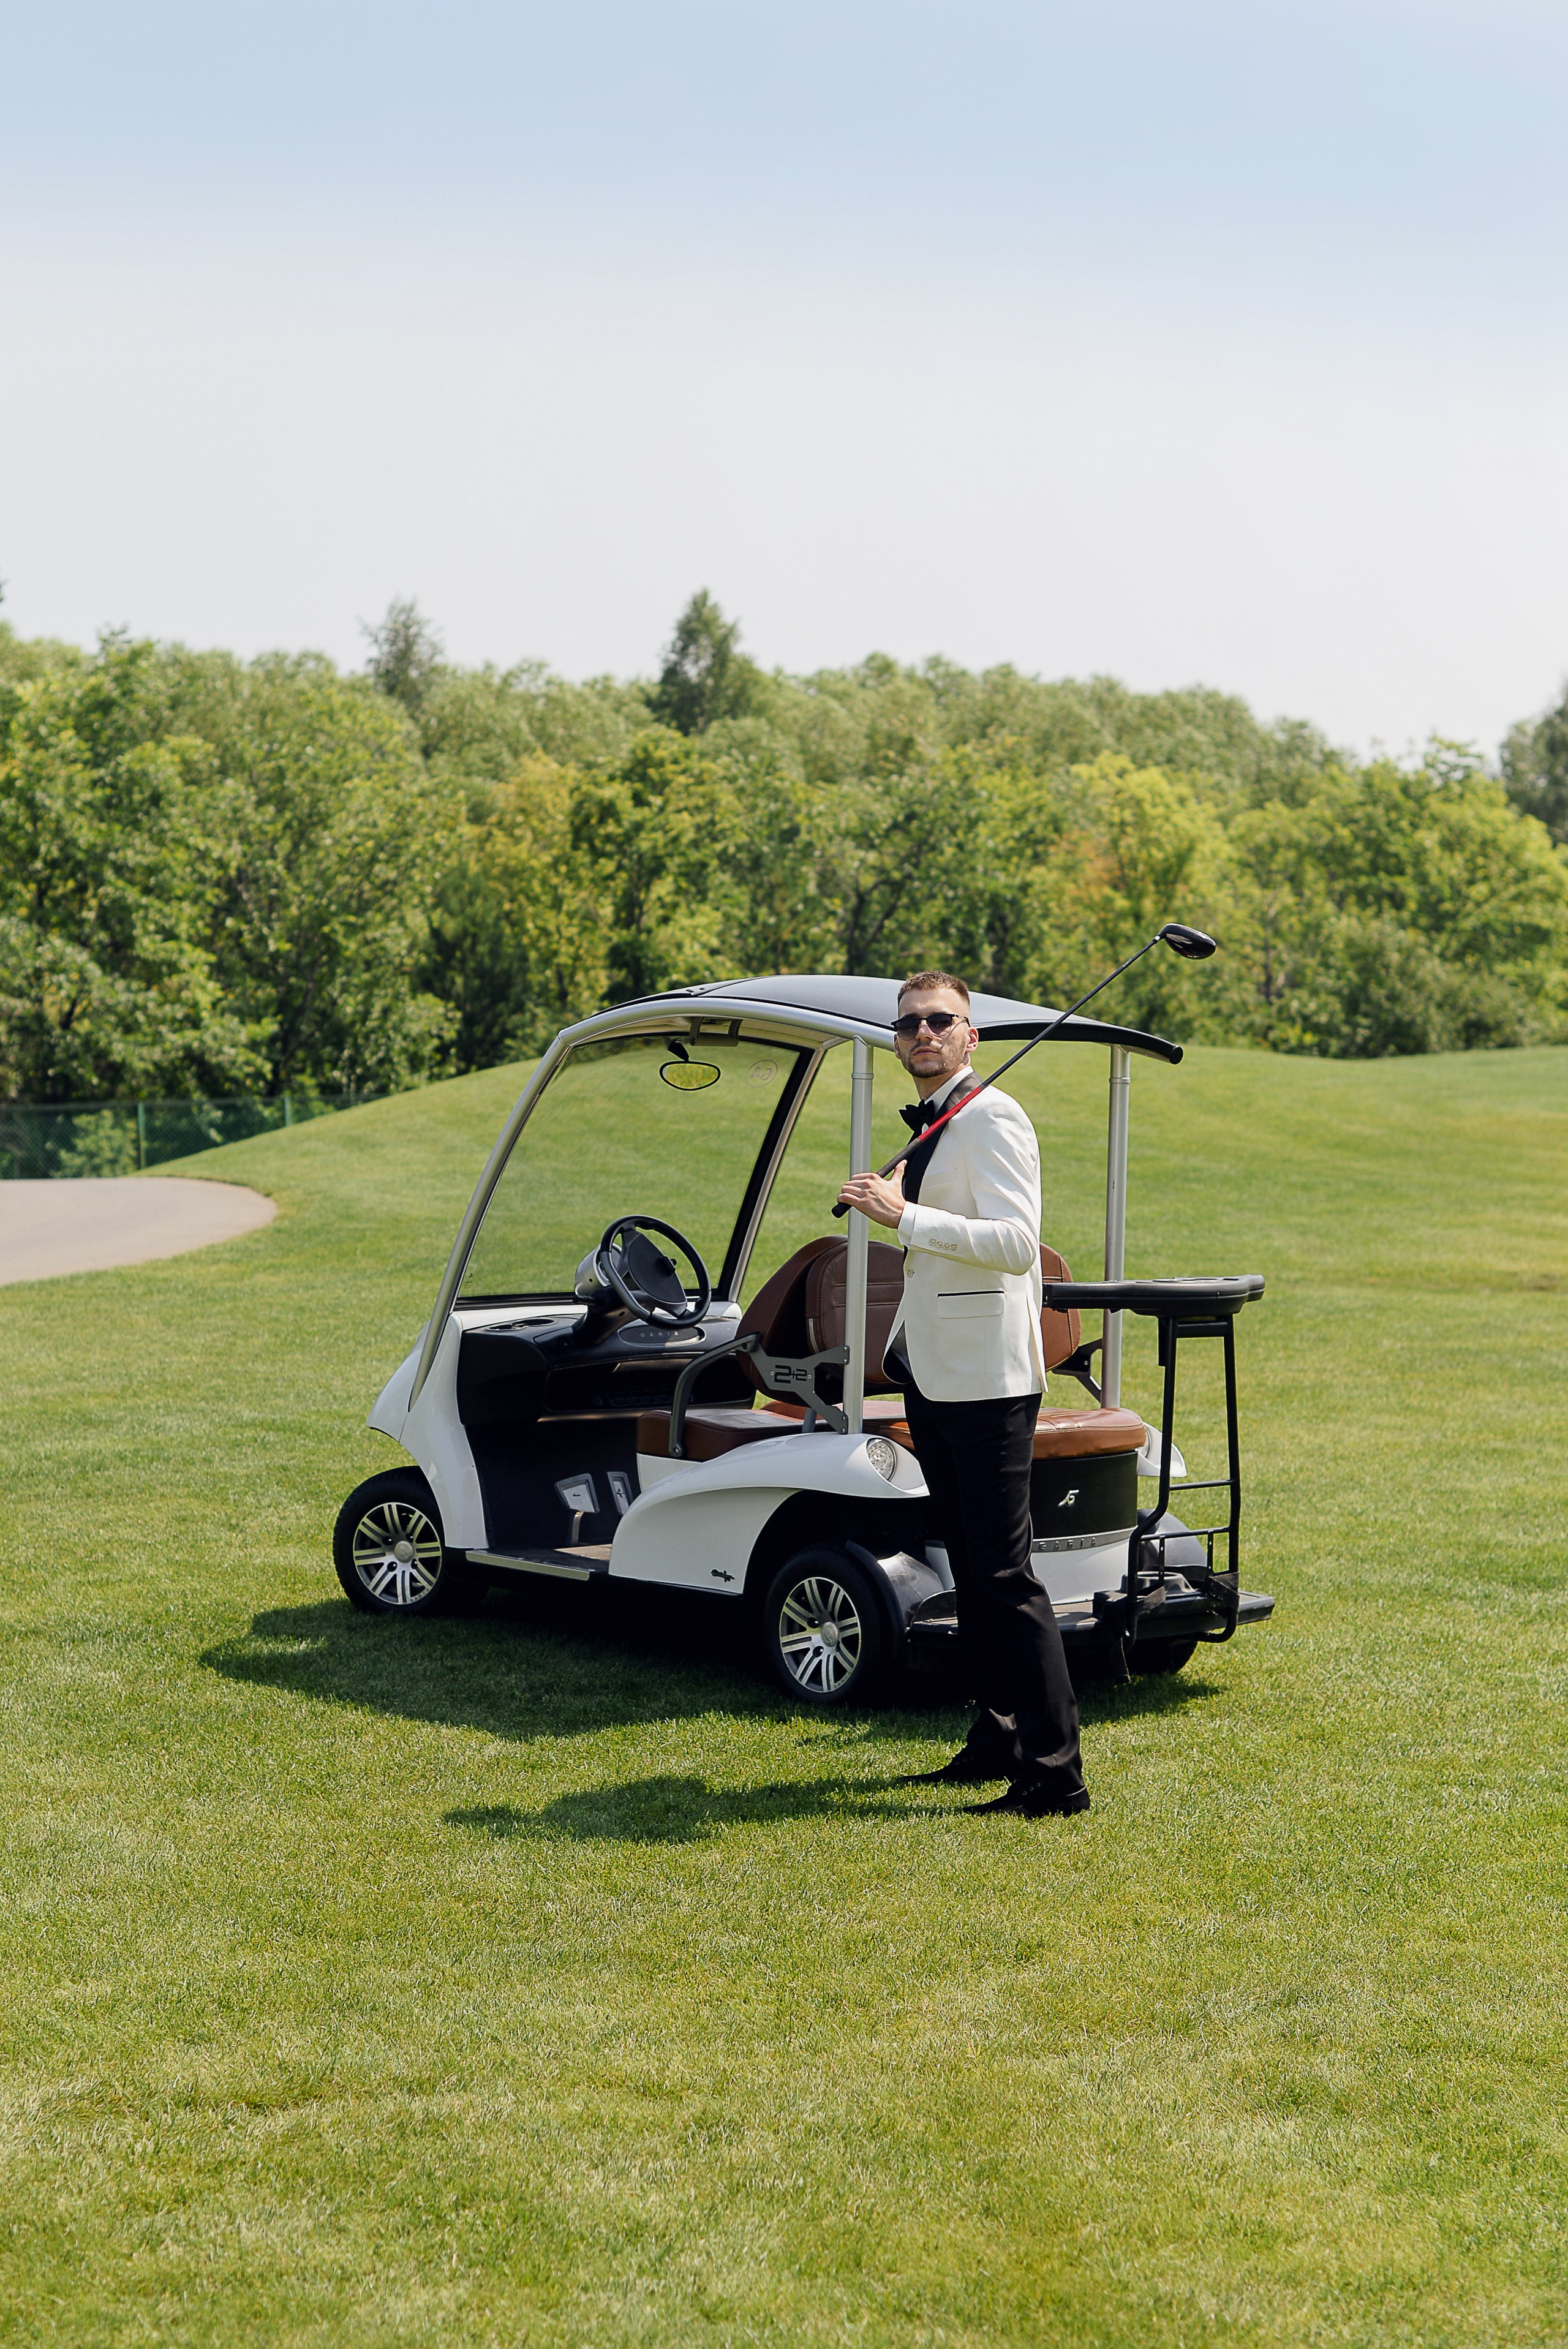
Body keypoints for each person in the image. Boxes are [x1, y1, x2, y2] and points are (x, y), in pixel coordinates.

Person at [837, 968, 1089, 1819]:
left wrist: (900, 1218)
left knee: (1006, 1577)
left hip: (989, 1383)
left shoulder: (993, 1117)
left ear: (971, 1036)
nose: (923, 1035)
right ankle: (998, 1742)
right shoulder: (938, 1123)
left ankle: (1056, 1777)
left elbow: (1019, 1245)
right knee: (976, 1578)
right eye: (908, 1025)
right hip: (940, 1378)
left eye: (941, 1021)